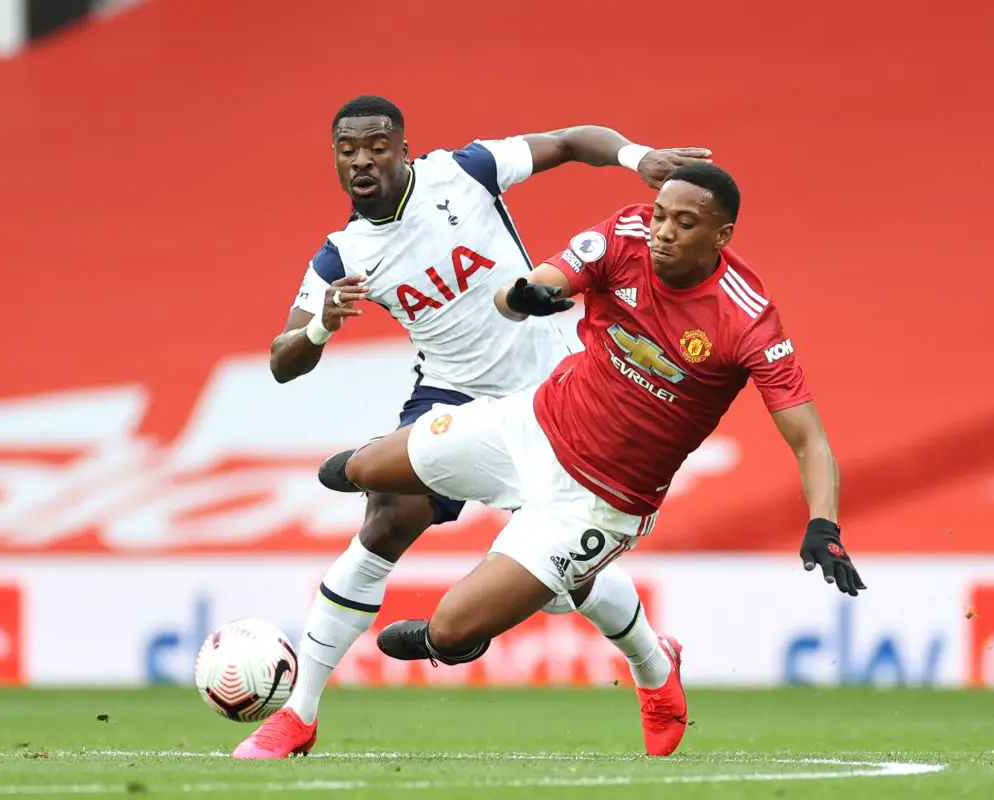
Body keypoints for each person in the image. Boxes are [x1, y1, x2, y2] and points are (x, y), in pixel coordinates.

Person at [317, 161, 867, 756]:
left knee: (450, 632)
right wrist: (531, 293)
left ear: (721, 236)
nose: (662, 231)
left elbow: (808, 438)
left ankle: (646, 662)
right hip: (530, 424)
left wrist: (824, 522)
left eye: (685, 223)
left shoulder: (747, 318)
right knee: (358, 471)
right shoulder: (626, 233)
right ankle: (574, 587)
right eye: (660, 215)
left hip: (598, 503)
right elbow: (523, 290)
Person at [234, 95, 714, 760]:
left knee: (564, 579)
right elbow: (284, 360)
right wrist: (321, 324)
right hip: (453, 396)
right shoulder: (342, 255)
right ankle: (299, 713)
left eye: (377, 146)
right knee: (385, 517)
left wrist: (638, 157)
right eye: (348, 150)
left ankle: (654, 668)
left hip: (559, 389)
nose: (363, 160)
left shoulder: (466, 171)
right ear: (337, 162)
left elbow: (573, 138)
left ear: (404, 148)